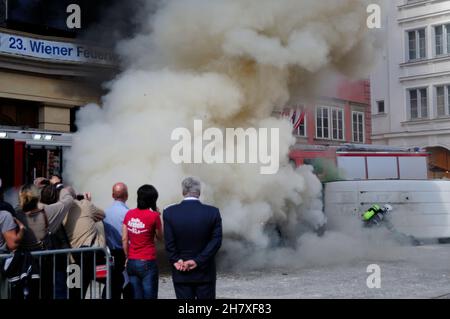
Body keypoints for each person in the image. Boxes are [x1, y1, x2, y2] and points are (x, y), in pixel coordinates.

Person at [163, 177, 222, 299]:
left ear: (183, 192)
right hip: (205, 272)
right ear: (199, 192)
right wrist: (198, 261)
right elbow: (216, 241)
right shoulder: (213, 212)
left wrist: (176, 260)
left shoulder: (169, 212)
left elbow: (169, 243)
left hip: (181, 271)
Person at [14, 184, 74, 299]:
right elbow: (68, 200)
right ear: (37, 197)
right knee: (46, 291)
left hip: (23, 264)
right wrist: (60, 187)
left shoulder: (16, 214)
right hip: (43, 262)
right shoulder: (47, 211)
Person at [63, 189, 106, 299]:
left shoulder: (60, 210)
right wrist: (88, 202)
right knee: (115, 279)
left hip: (72, 259)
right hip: (90, 257)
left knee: (75, 293)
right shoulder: (85, 204)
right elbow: (102, 214)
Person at [122, 185, 162, 299]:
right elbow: (160, 237)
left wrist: (127, 256)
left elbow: (124, 239)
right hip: (147, 261)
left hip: (132, 261)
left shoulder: (129, 214)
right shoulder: (154, 216)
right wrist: (158, 216)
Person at [103, 182, 132, 299]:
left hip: (109, 254)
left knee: (111, 287)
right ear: (127, 196)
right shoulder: (128, 213)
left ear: (112, 195)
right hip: (125, 254)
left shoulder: (104, 213)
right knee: (127, 286)